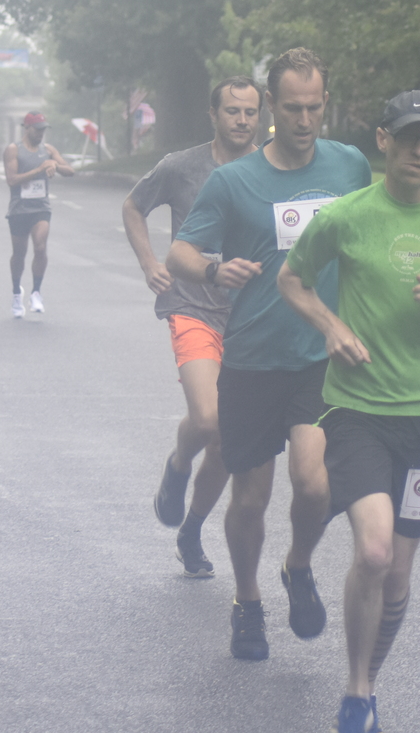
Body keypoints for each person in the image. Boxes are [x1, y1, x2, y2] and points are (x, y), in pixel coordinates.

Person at [278, 90, 420, 733]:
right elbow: (291, 279)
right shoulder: (348, 216)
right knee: (374, 553)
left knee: (398, 580)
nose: (418, 149)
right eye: (407, 137)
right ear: (384, 140)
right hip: (357, 409)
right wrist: (329, 324)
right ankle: (354, 693)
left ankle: (369, 685)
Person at [168, 48, 373, 661]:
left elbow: (369, 232)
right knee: (251, 498)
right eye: (292, 108)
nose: (304, 119)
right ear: (271, 108)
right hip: (253, 360)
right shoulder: (235, 181)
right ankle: (248, 601)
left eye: (314, 107)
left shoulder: (350, 167)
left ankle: (299, 564)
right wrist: (211, 267)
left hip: (318, 359)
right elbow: (181, 251)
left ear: (324, 105)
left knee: (313, 487)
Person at [124, 76, 261, 578]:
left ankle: (192, 530)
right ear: (214, 115)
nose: (242, 121)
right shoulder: (182, 166)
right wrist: (148, 263)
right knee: (208, 421)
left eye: (250, 112)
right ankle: (178, 465)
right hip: (192, 307)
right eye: (232, 111)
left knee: (229, 442)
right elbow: (133, 206)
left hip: (250, 317)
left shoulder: (271, 167)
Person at [3, 112, 75, 317]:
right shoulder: (13, 150)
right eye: (37, 129)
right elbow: (11, 179)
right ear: (27, 128)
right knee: (19, 254)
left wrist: (55, 165)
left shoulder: (48, 150)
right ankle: (17, 292)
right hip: (19, 208)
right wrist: (39, 169)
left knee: (40, 246)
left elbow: (70, 171)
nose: (41, 133)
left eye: (44, 129)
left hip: (41, 208)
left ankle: (36, 291)